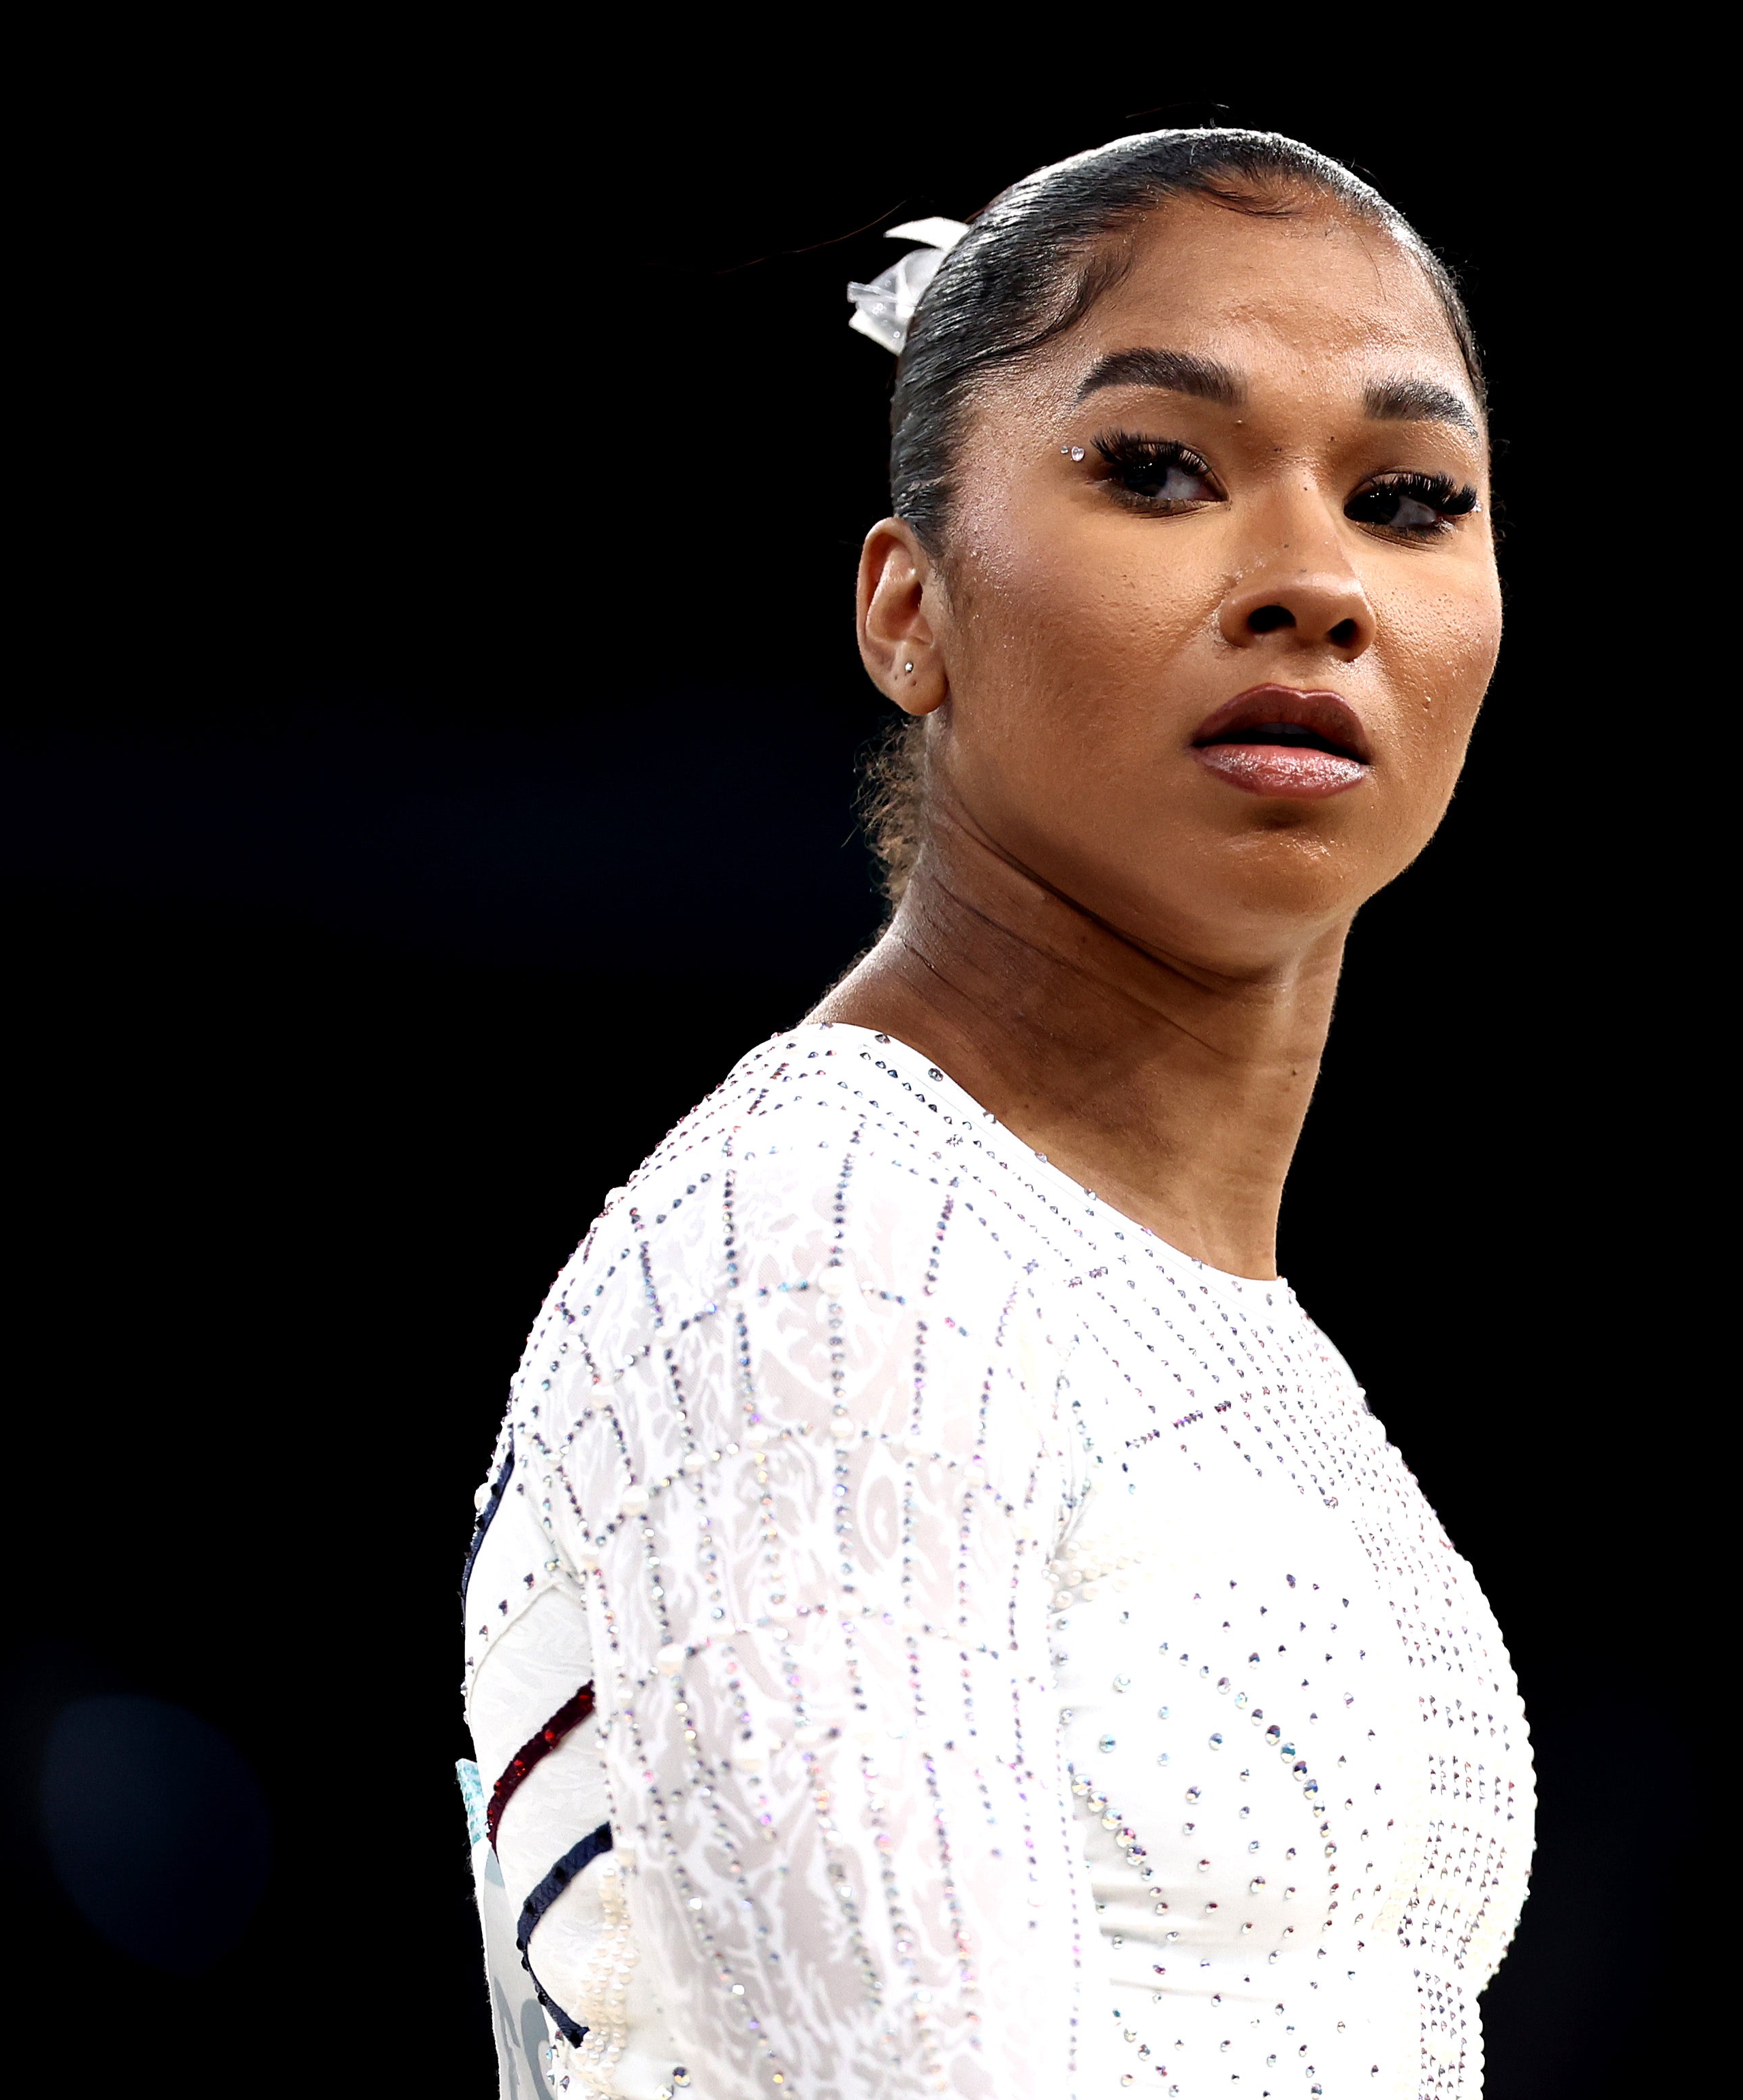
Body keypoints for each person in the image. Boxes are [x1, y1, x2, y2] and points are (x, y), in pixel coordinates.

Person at [457, 127, 1532, 2099]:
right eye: (1154, 469)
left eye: (1403, 498)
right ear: (906, 610)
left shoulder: (1199, 1320)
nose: (1309, 581)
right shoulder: (831, 1248)